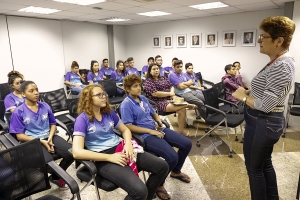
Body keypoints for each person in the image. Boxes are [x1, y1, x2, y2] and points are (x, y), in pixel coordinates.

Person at [232, 16, 296, 200]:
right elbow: (271, 90)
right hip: (263, 123)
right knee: (264, 164)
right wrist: (253, 90)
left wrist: (244, 97)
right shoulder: (278, 60)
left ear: (279, 41)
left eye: (263, 36)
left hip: (263, 122)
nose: (259, 40)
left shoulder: (282, 65)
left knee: (254, 169)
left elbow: (266, 105)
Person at [72, 84, 168, 200]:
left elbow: (125, 129)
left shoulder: (108, 113)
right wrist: (110, 157)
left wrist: (128, 143)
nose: (104, 97)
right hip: (102, 157)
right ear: (88, 99)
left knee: (162, 167)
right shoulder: (82, 119)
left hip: (120, 147)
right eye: (99, 95)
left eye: (104, 94)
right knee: (139, 191)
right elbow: (76, 152)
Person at [120, 74, 192, 200]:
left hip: (156, 129)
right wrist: (150, 131)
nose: (139, 88)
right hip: (144, 135)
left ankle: (175, 171)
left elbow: (153, 113)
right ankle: (158, 184)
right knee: (172, 157)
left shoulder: (142, 98)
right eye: (135, 86)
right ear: (127, 89)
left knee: (187, 144)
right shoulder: (126, 104)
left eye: (139, 85)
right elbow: (128, 126)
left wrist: (159, 122)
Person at [9, 81, 74, 189]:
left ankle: (55, 177)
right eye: (31, 91)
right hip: (31, 141)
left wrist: (49, 138)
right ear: (23, 94)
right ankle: (58, 176)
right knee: (49, 163)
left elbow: (53, 124)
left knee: (72, 153)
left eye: (37, 90)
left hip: (48, 136)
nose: (36, 93)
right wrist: (41, 141)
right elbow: (19, 136)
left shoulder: (45, 106)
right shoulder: (18, 112)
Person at [143, 63, 197, 136]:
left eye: (157, 69)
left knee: (182, 110)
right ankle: (186, 105)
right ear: (150, 71)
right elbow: (155, 93)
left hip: (170, 99)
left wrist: (172, 93)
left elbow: (171, 86)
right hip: (158, 102)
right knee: (182, 106)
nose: (156, 70)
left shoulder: (163, 78)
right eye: (154, 69)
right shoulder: (148, 81)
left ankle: (181, 130)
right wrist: (169, 94)